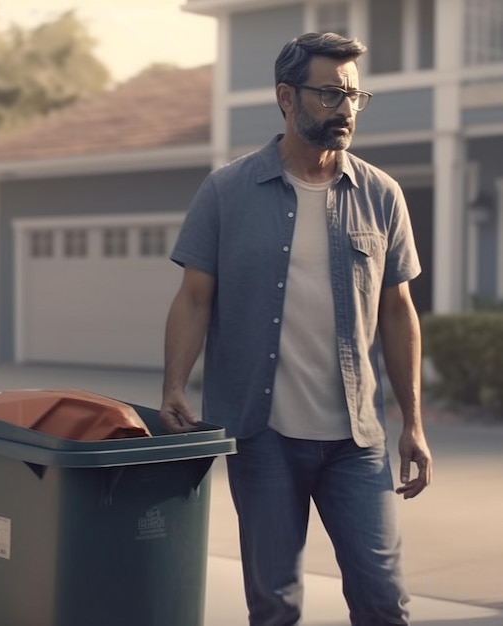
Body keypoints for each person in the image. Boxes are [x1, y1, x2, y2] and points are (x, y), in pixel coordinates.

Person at [159, 31, 432, 626]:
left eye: (355, 96)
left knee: (384, 600)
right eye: (331, 94)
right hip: (263, 439)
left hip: (356, 444)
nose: (346, 110)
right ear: (287, 97)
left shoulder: (382, 195)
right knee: (276, 606)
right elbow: (194, 299)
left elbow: (397, 313)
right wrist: (174, 386)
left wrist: (412, 422)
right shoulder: (227, 192)